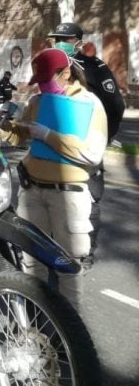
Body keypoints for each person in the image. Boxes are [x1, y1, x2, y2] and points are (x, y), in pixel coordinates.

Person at [0, 48, 107, 309]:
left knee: (68, 266)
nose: (42, 87)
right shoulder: (38, 102)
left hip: (68, 194)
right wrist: (3, 125)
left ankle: (70, 336)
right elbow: (17, 136)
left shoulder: (90, 104)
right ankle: (35, 326)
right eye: (39, 82)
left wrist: (49, 136)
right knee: (31, 262)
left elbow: (92, 154)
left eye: (46, 81)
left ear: (66, 73)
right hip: (32, 190)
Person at [47, 21, 125, 264]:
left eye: (65, 39)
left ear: (78, 42)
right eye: (56, 38)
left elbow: (115, 106)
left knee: (87, 197)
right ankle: (57, 247)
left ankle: (83, 253)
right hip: (55, 143)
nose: (59, 43)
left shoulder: (92, 67)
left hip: (83, 142)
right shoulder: (54, 67)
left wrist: (103, 137)